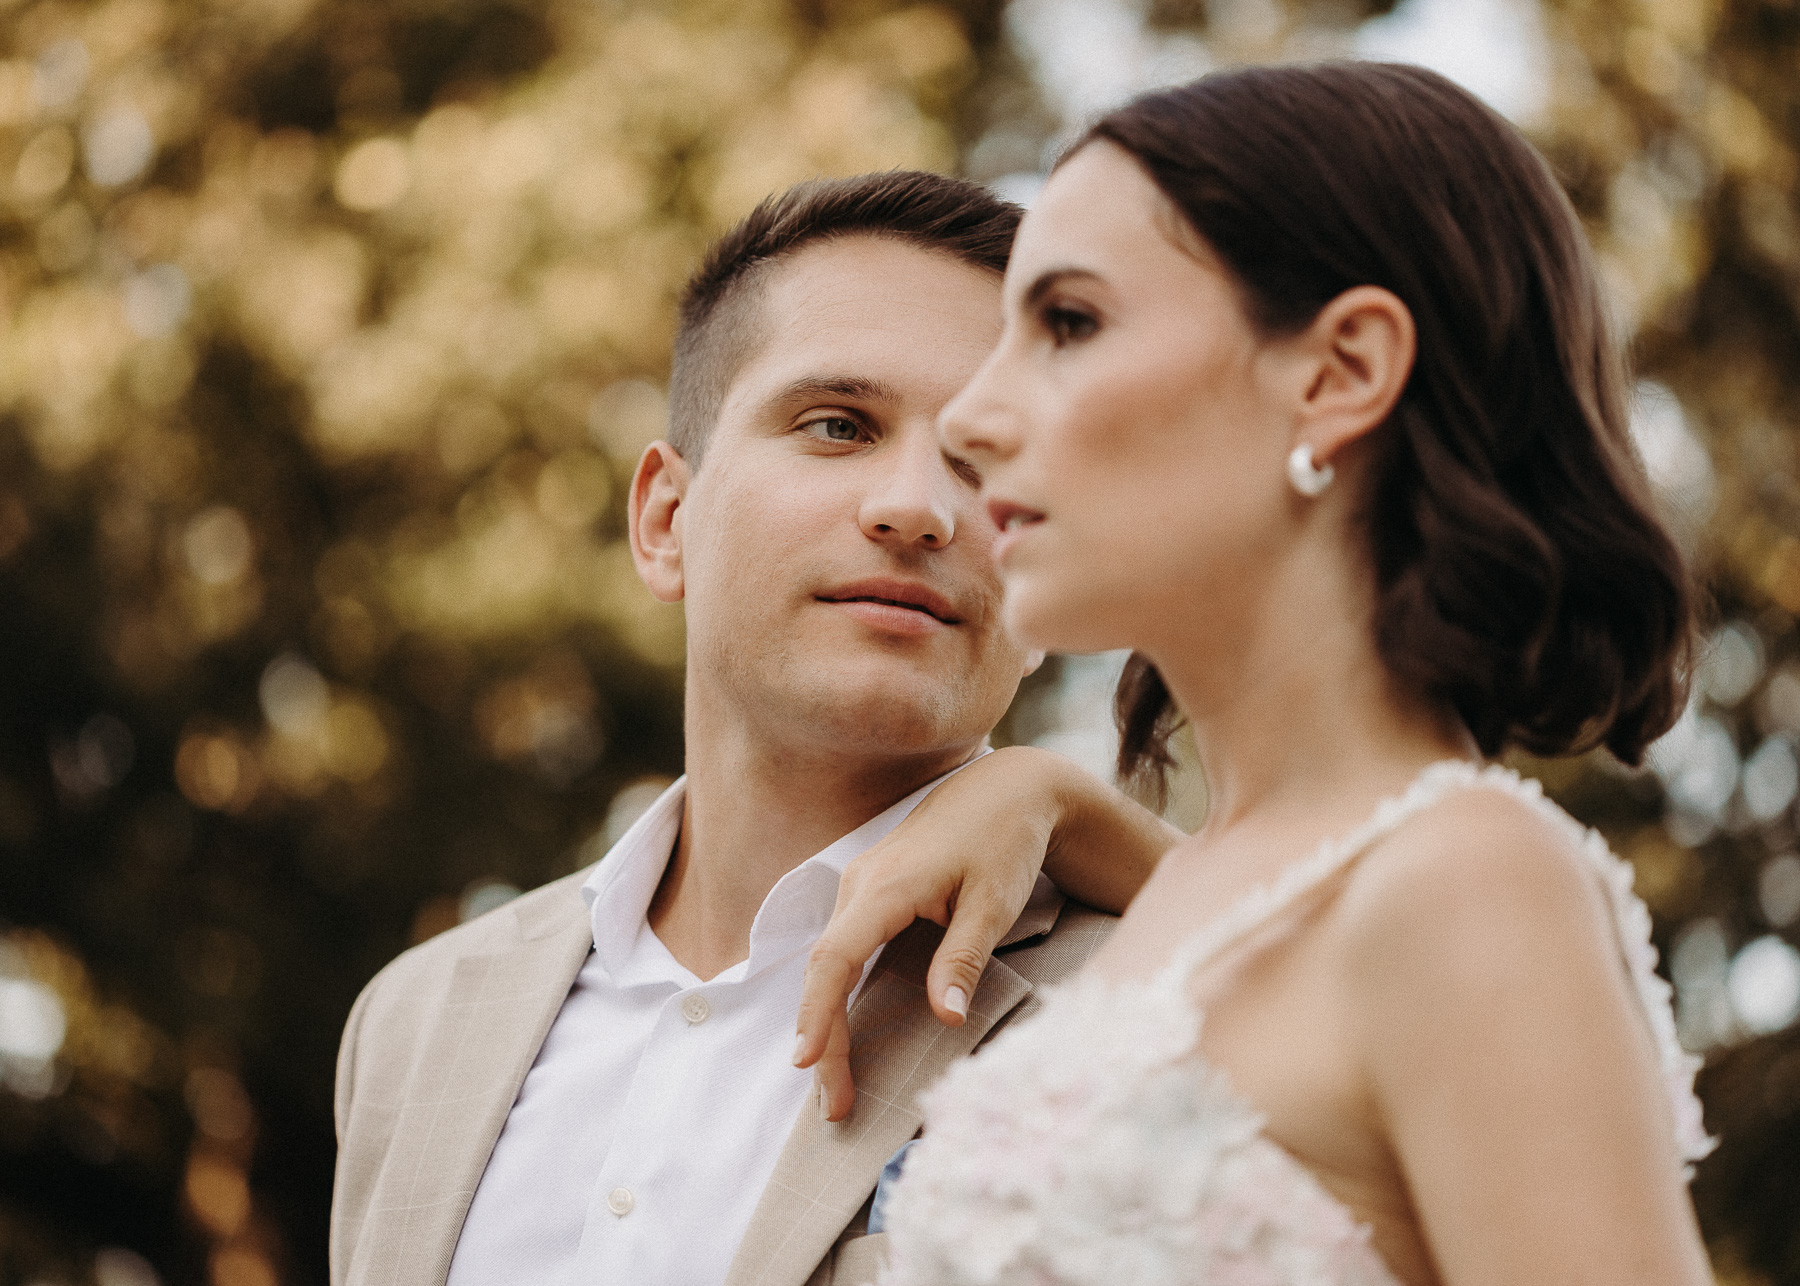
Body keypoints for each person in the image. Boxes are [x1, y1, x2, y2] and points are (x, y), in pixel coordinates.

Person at [797, 64, 1716, 1285]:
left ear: (1337, 373)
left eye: (1068, 322)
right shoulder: (1189, 900)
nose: (969, 421)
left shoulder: (1471, 883)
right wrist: (1056, 799)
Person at [327, 171, 1178, 1286]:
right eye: (838, 425)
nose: (918, 504)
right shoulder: (412, 1022)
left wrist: (1065, 802)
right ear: (666, 520)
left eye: (987, 459)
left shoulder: (1167, 1001)